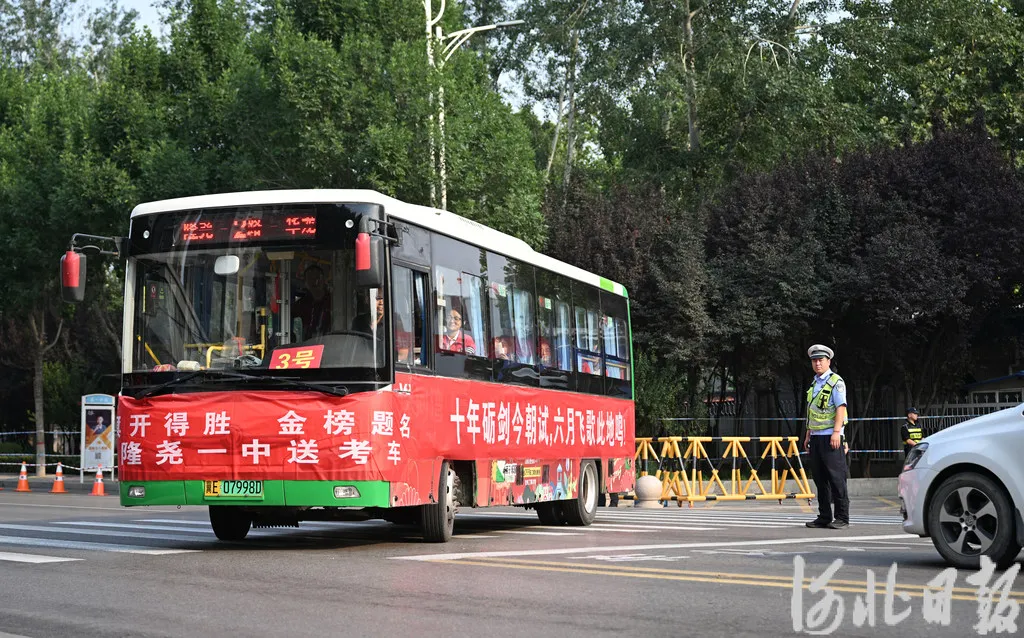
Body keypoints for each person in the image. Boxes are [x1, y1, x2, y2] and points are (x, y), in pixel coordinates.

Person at [803, 344, 850, 530]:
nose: (817, 363)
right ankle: (824, 516)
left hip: (831, 436)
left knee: (837, 478)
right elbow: (812, 411)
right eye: (814, 360)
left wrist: (837, 433)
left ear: (828, 361)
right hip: (816, 437)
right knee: (820, 479)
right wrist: (808, 434)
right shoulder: (814, 383)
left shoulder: (836, 381)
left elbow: (841, 408)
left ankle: (842, 517)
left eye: (820, 360)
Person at [292, 264, 331, 339]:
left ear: (324, 280)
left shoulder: (333, 301)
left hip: (331, 341)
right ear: (305, 283)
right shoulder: (302, 303)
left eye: (317, 278)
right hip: (309, 343)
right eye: (310, 279)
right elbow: (286, 315)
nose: (315, 282)